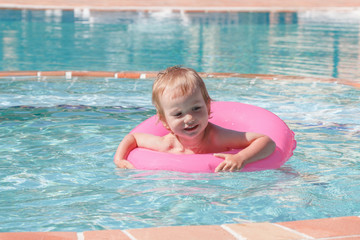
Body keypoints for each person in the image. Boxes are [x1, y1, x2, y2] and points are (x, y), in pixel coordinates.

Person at [114, 66, 276, 172]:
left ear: (208, 107)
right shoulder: (166, 143)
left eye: (196, 108)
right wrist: (119, 159)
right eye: (178, 114)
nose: (189, 118)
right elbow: (133, 137)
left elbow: (266, 141)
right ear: (164, 122)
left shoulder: (217, 138)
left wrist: (241, 157)